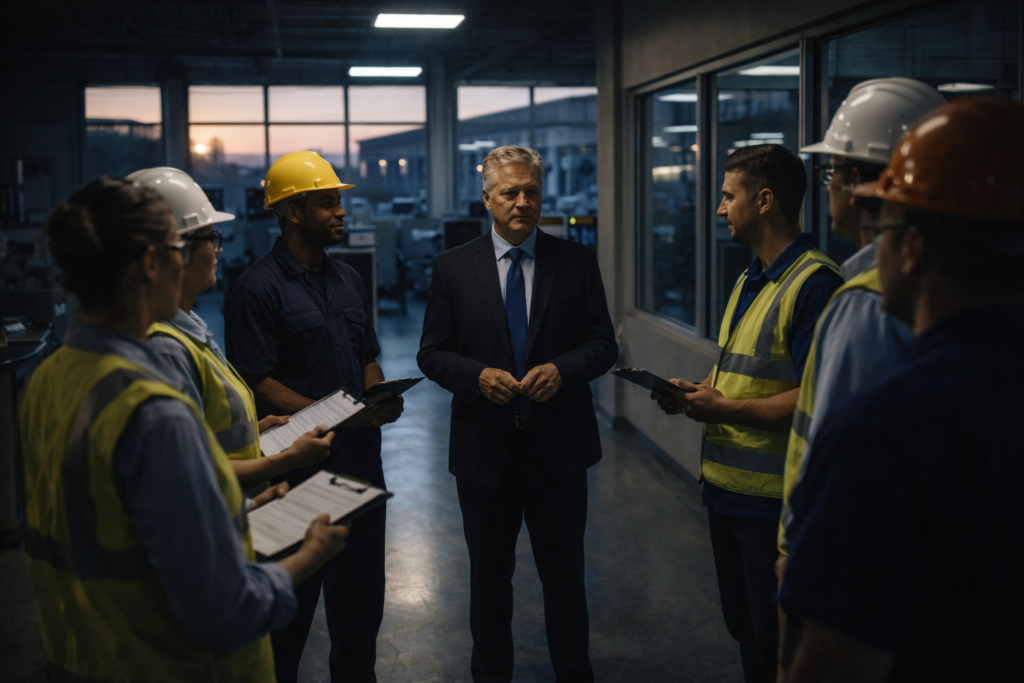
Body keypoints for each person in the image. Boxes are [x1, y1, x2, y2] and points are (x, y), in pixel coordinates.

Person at [19, 177, 349, 682]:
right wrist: (310, 554)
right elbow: (225, 611)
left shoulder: (48, 378)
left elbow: (114, 519)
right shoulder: (153, 413)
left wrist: (233, 509)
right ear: (153, 262)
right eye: (185, 247)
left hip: (81, 656)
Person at [779, 97, 1024, 682]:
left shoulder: (884, 431)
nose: (873, 246)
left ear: (913, 248)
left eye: (883, 227)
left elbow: (838, 665)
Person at [417, 145, 616, 682]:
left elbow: (603, 345)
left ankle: (574, 673)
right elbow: (431, 353)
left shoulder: (575, 262)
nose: (523, 202)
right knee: (488, 582)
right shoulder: (453, 268)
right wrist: (476, 378)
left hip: (559, 450)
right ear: (487, 199)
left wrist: (565, 369)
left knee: (566, 581)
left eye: (532, 191)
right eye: (510, 192)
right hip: (486, 453)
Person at [651, 144, 841, 683]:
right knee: (746, 630)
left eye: (728, 196)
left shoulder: (814, 285)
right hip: (726, 491)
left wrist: (725, 406)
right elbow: (736, 367)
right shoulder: (750, 278)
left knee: (775, 639)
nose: (719, 208)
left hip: (773, 505)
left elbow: (815, 400)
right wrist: (696, 391)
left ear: (763, 201)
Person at [224, 151, 404, 683]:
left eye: (339, 202)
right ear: (291, 213)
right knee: (288, 614)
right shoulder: (256, 290)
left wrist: (376, 397)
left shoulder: (348, 279)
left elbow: (367, 353)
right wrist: (336, 414)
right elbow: (257, 381)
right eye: (327, 204)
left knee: (360, 608)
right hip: (294, 476)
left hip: (360, 469)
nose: (341, 213)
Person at [776, 79, 944, 576]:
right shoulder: (928, 288)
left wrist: (796, 554)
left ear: (856, 182)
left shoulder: (867, 304)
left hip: (828, 557)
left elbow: (839, 460)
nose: (826, 185)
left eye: (831, 170)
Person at [127, 167, 335, 490]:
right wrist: (287, 459)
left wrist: (252, 433)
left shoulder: (190, 328)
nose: (217, 250)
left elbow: (205, 431)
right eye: (211, 238)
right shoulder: (164, 348)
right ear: (175, 251)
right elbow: (186, 469)